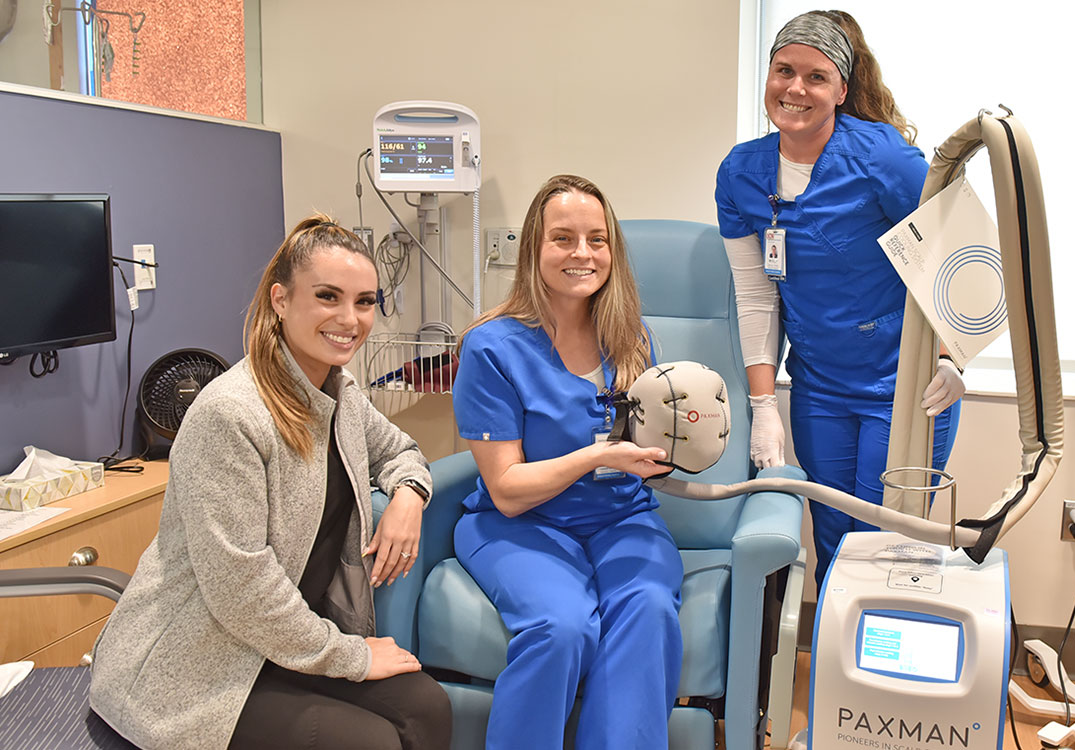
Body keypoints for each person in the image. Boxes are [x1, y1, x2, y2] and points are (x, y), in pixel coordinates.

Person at [89, 216, 451, 750]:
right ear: (280, 300)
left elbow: (401, 452)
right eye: (328, 296)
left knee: (427, 707)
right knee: (367, 742)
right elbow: (242, 592)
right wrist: (351, 656)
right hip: (201, 664)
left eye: (365, 301)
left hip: (286, 639)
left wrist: (408, 496)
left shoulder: (339, 390)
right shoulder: (230, 416)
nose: (349, 319)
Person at [715, 10, 964, 586]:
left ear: (842, 90)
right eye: (783, 71)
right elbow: (756, 296)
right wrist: (762, 407)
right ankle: (834, 676)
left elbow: (957, 258)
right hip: (820, 387)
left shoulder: (883, 158)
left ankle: (887, 671)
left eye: (816, 77)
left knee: (884, 546)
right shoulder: (741, 173)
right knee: (831, 538)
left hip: (906, 386)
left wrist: (954, 354)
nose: (796, 89)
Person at [452, 174, 682, 750]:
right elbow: (505, 488)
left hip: (619, 516)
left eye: (597, 240)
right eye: (563, 238)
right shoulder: (491, 346)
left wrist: (667, 455)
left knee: (649, 607)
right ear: (535, 249)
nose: (582, 253)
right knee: (561, 627)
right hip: (519, 521)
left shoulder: (632, 338)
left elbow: (641, 442)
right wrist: (597, 455)